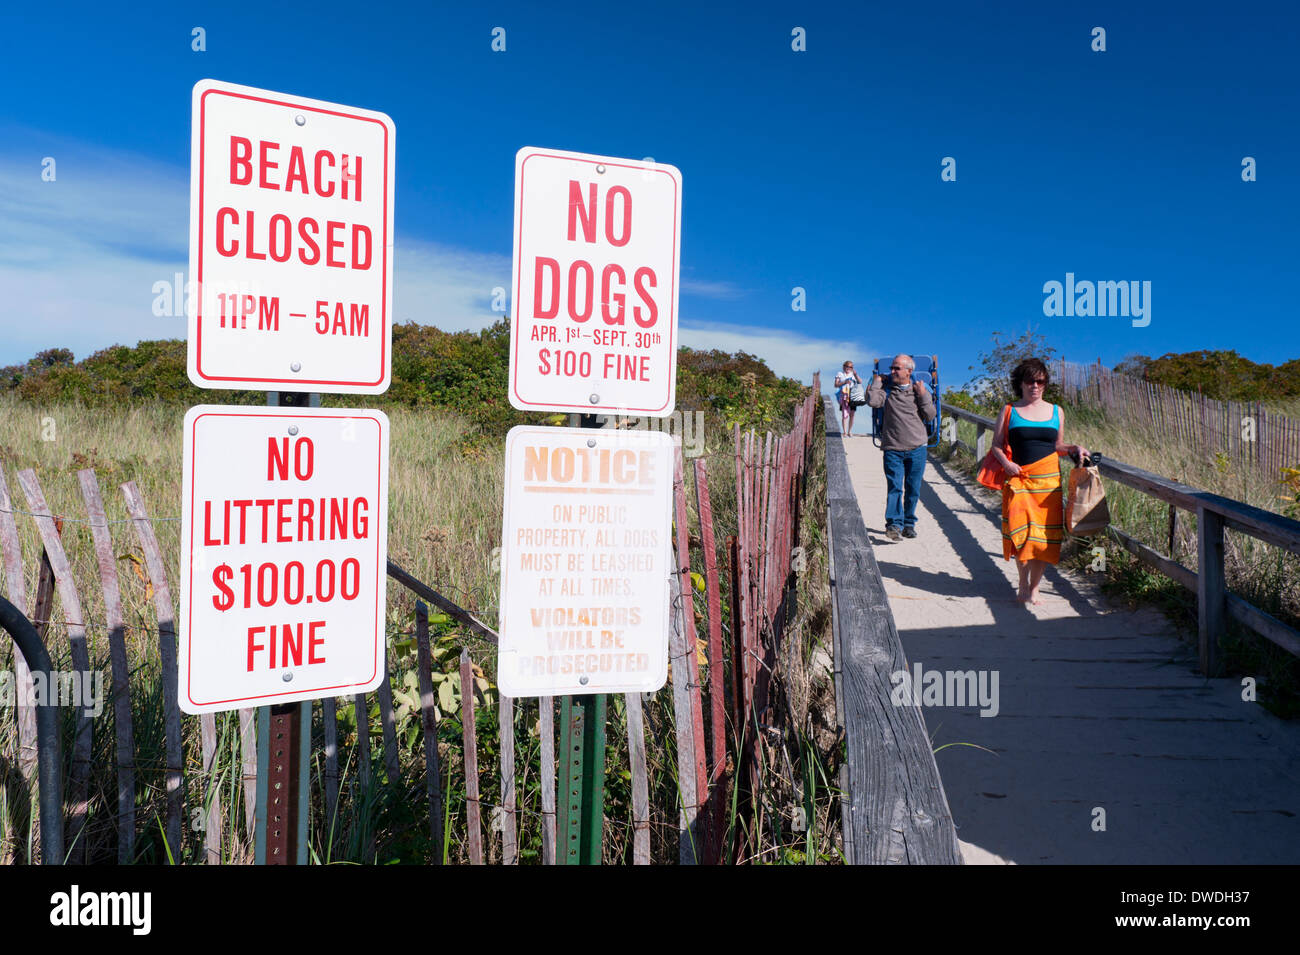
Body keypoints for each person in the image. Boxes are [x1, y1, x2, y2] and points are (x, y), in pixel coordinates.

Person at [989, 358, 1089, 604]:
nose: (1035, 385)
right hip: (1019, 478)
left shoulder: (1057, 411)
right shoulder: (1009, 410)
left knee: (1043, 537)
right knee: (1020, 532)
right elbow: (996, 445)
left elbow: (1058, 446)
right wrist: (1006, 464)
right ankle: (1022, 582)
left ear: (1045, 384)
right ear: (1020, 383)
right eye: (1029, 381)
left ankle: (1034, 587)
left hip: (1048, 482)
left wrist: (1075, 447)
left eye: (1040, 381)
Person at [867, 354, 935, 540]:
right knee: (895, 487)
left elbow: (930, 415)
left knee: (913, 488)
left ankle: (909, 524)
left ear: (909, 371)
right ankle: (894, 525)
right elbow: (873, 402)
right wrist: (877, 382)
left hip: (917, 447)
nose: (892, 371)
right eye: (892, 368)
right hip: (892, 448)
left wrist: (923, 396)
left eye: (897, 368)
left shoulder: (920, 389)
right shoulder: (886, 390)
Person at [833, 360, 863, 436]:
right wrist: (844, 382)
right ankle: (845, 432)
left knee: (852, 414)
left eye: (851, 367)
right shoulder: (840, 374)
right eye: (847, 366)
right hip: (843, 396)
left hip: (852, 395)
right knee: (844, 414)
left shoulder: (853, 374)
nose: (849, 368)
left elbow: (860, 382)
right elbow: (836, 385)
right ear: (844, 366)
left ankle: (850, 431)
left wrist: (856, 375)